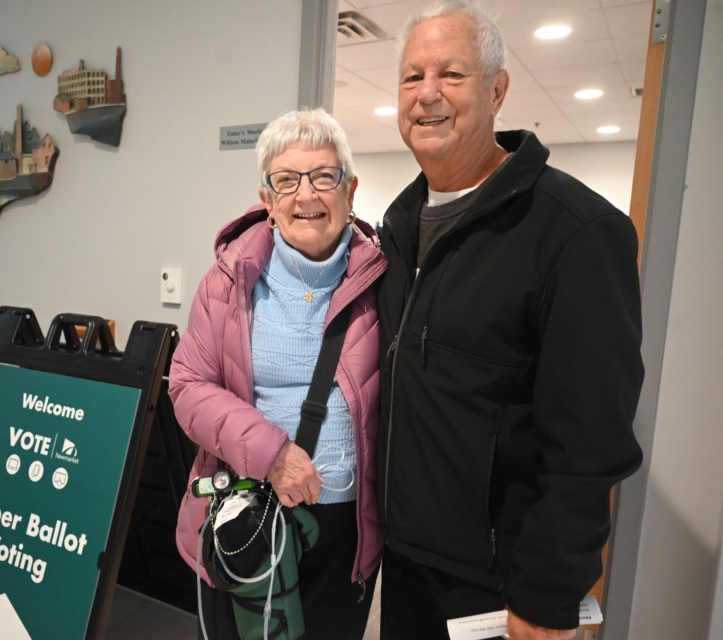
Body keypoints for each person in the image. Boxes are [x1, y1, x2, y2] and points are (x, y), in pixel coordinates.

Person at [376, 2, 645, 640]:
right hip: (405, 563)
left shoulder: (576, 232)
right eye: (412, 77)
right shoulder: (398, 224)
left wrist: (549, 594)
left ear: (497, 90)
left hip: (499, 586)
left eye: (452, 74)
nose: (428, 94)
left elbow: (590, 444)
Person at [169, 108, 387, 639]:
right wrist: (273, 454)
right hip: (248, 510)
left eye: (322, 176)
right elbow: (188, 387)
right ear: (267, 201)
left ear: (350, 189)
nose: (305, 196)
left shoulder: (386, 281)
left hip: (346, 526)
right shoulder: (226, 282)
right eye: (286, 180)